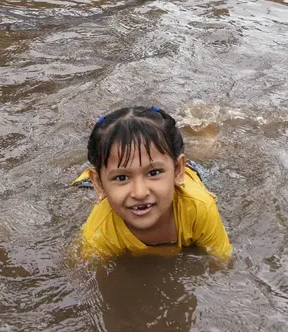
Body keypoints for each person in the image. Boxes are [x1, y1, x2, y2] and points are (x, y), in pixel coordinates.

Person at [77, 105, 232, 260]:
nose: (140, 193)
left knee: (209, 151)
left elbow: (222, 263)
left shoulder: (199, 209)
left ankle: (204, 130)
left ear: (177, 170)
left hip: (194, 174)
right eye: (122, 178)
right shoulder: (98, 233)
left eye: (153, 173)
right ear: (99, 184)